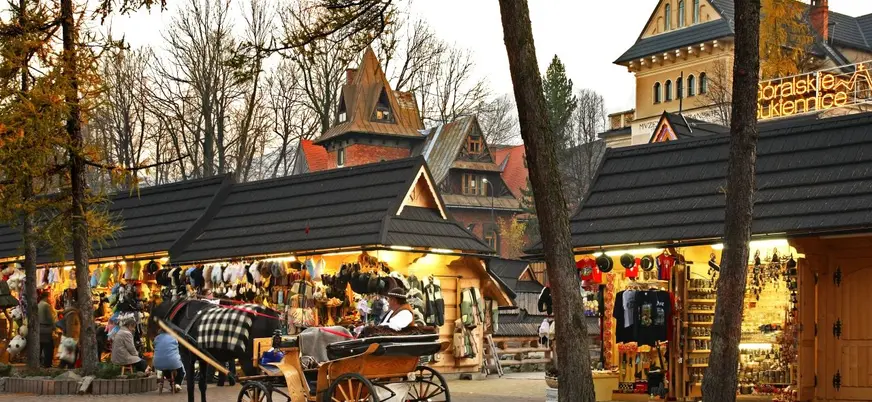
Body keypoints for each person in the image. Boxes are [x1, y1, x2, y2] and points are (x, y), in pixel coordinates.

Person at [38, 291, 57, 367]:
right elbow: (50, 318)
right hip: (46, 328)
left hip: (39, 328)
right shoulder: (46, 305)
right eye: (49, 297)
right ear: (47, 297)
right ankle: (47, 364)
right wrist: (54, 327)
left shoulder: (39, 304)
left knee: (40, 346)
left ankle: (39, 363)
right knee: (48, 347)